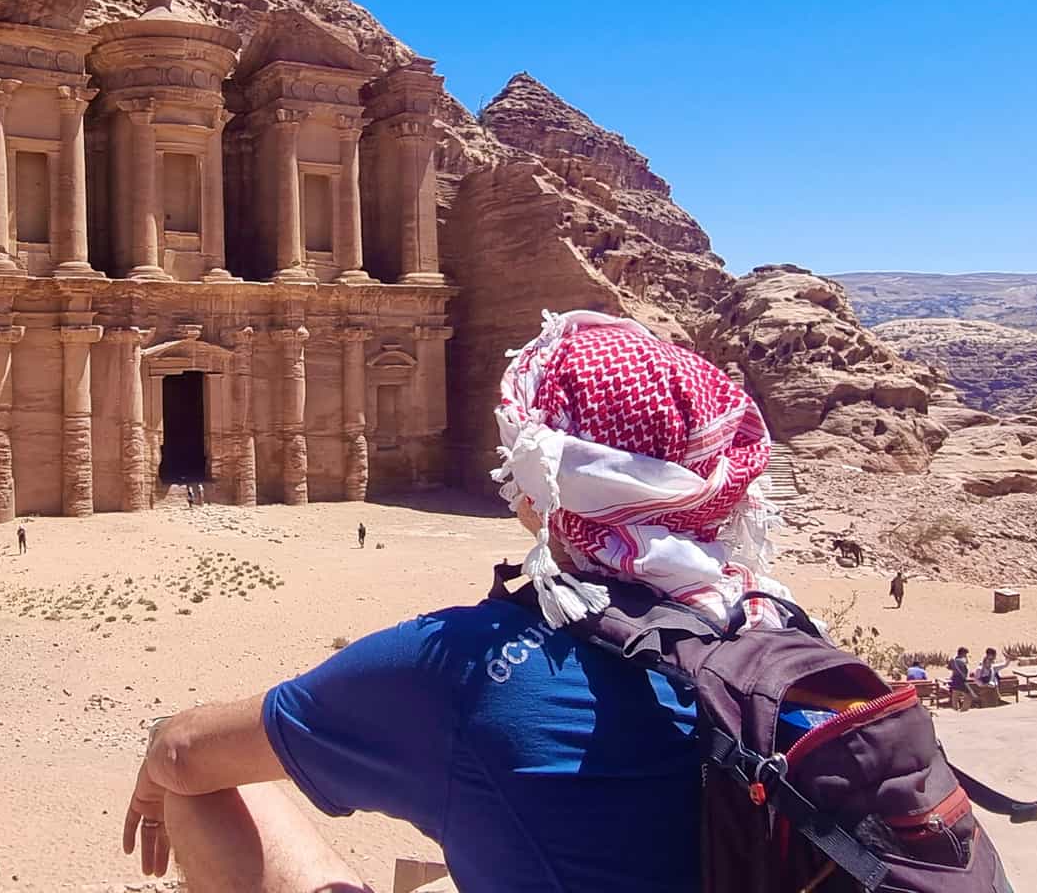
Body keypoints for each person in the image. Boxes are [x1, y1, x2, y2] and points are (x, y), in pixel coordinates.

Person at [120, 310, 792, 891]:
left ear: (539, 488)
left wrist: (157, 764)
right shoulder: (782, 632)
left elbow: (182, 753)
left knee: (200, 777)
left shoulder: (466, 667)